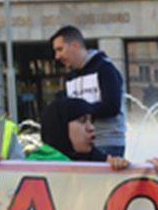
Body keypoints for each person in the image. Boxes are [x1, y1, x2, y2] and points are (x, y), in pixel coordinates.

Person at [52, 26, 127, 157]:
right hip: (80, 145)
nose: (57, 56)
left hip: (107, 142)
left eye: (60, 49)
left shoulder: (105, 68)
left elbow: (112, 106)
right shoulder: (70, 78)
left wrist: (80, 110)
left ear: (75, 45)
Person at [27, 96, 130, 169]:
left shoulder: (100, 162)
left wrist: (121, 168)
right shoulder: (32, 169)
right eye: (82, 120)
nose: (91, 127)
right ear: (60, 127)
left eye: (91, 121)